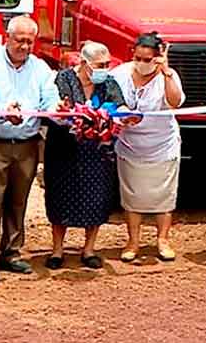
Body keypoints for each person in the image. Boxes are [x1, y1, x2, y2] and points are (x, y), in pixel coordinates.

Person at [0, 16, 59, 283]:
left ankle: (12, 252)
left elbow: (50, 98)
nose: (24, 46)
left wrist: (57, 109)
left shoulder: (41, 68)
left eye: (29, 42)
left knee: (18, 201)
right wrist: (1, 112)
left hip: (28, 143)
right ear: (7, 37)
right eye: (19, 40)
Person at [43, 41, 128, 270]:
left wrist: (121, 117)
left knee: (96, 197)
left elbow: (120, 106)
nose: (105, 68)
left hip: (97, 151)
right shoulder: (63, 78)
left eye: (107, 64)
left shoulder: (108, 82)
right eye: (100, 64)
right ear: (83, 63)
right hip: (63, 148)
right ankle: (57, 249)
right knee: (60, 197)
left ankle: (89, 249)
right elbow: (55, 107)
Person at [110, 32, 185, 262]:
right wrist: (120, 116)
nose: (142, 63)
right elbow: (107, 100)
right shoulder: (119, 74)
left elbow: (175, 102)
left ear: (157, 58)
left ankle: (162, 240)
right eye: (138, 58)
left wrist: (166, 73)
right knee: (132, 196)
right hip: (130, 144)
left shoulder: (168, 76)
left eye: (147, 59)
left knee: (163, 196)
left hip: (162, 144)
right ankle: (133, 241)